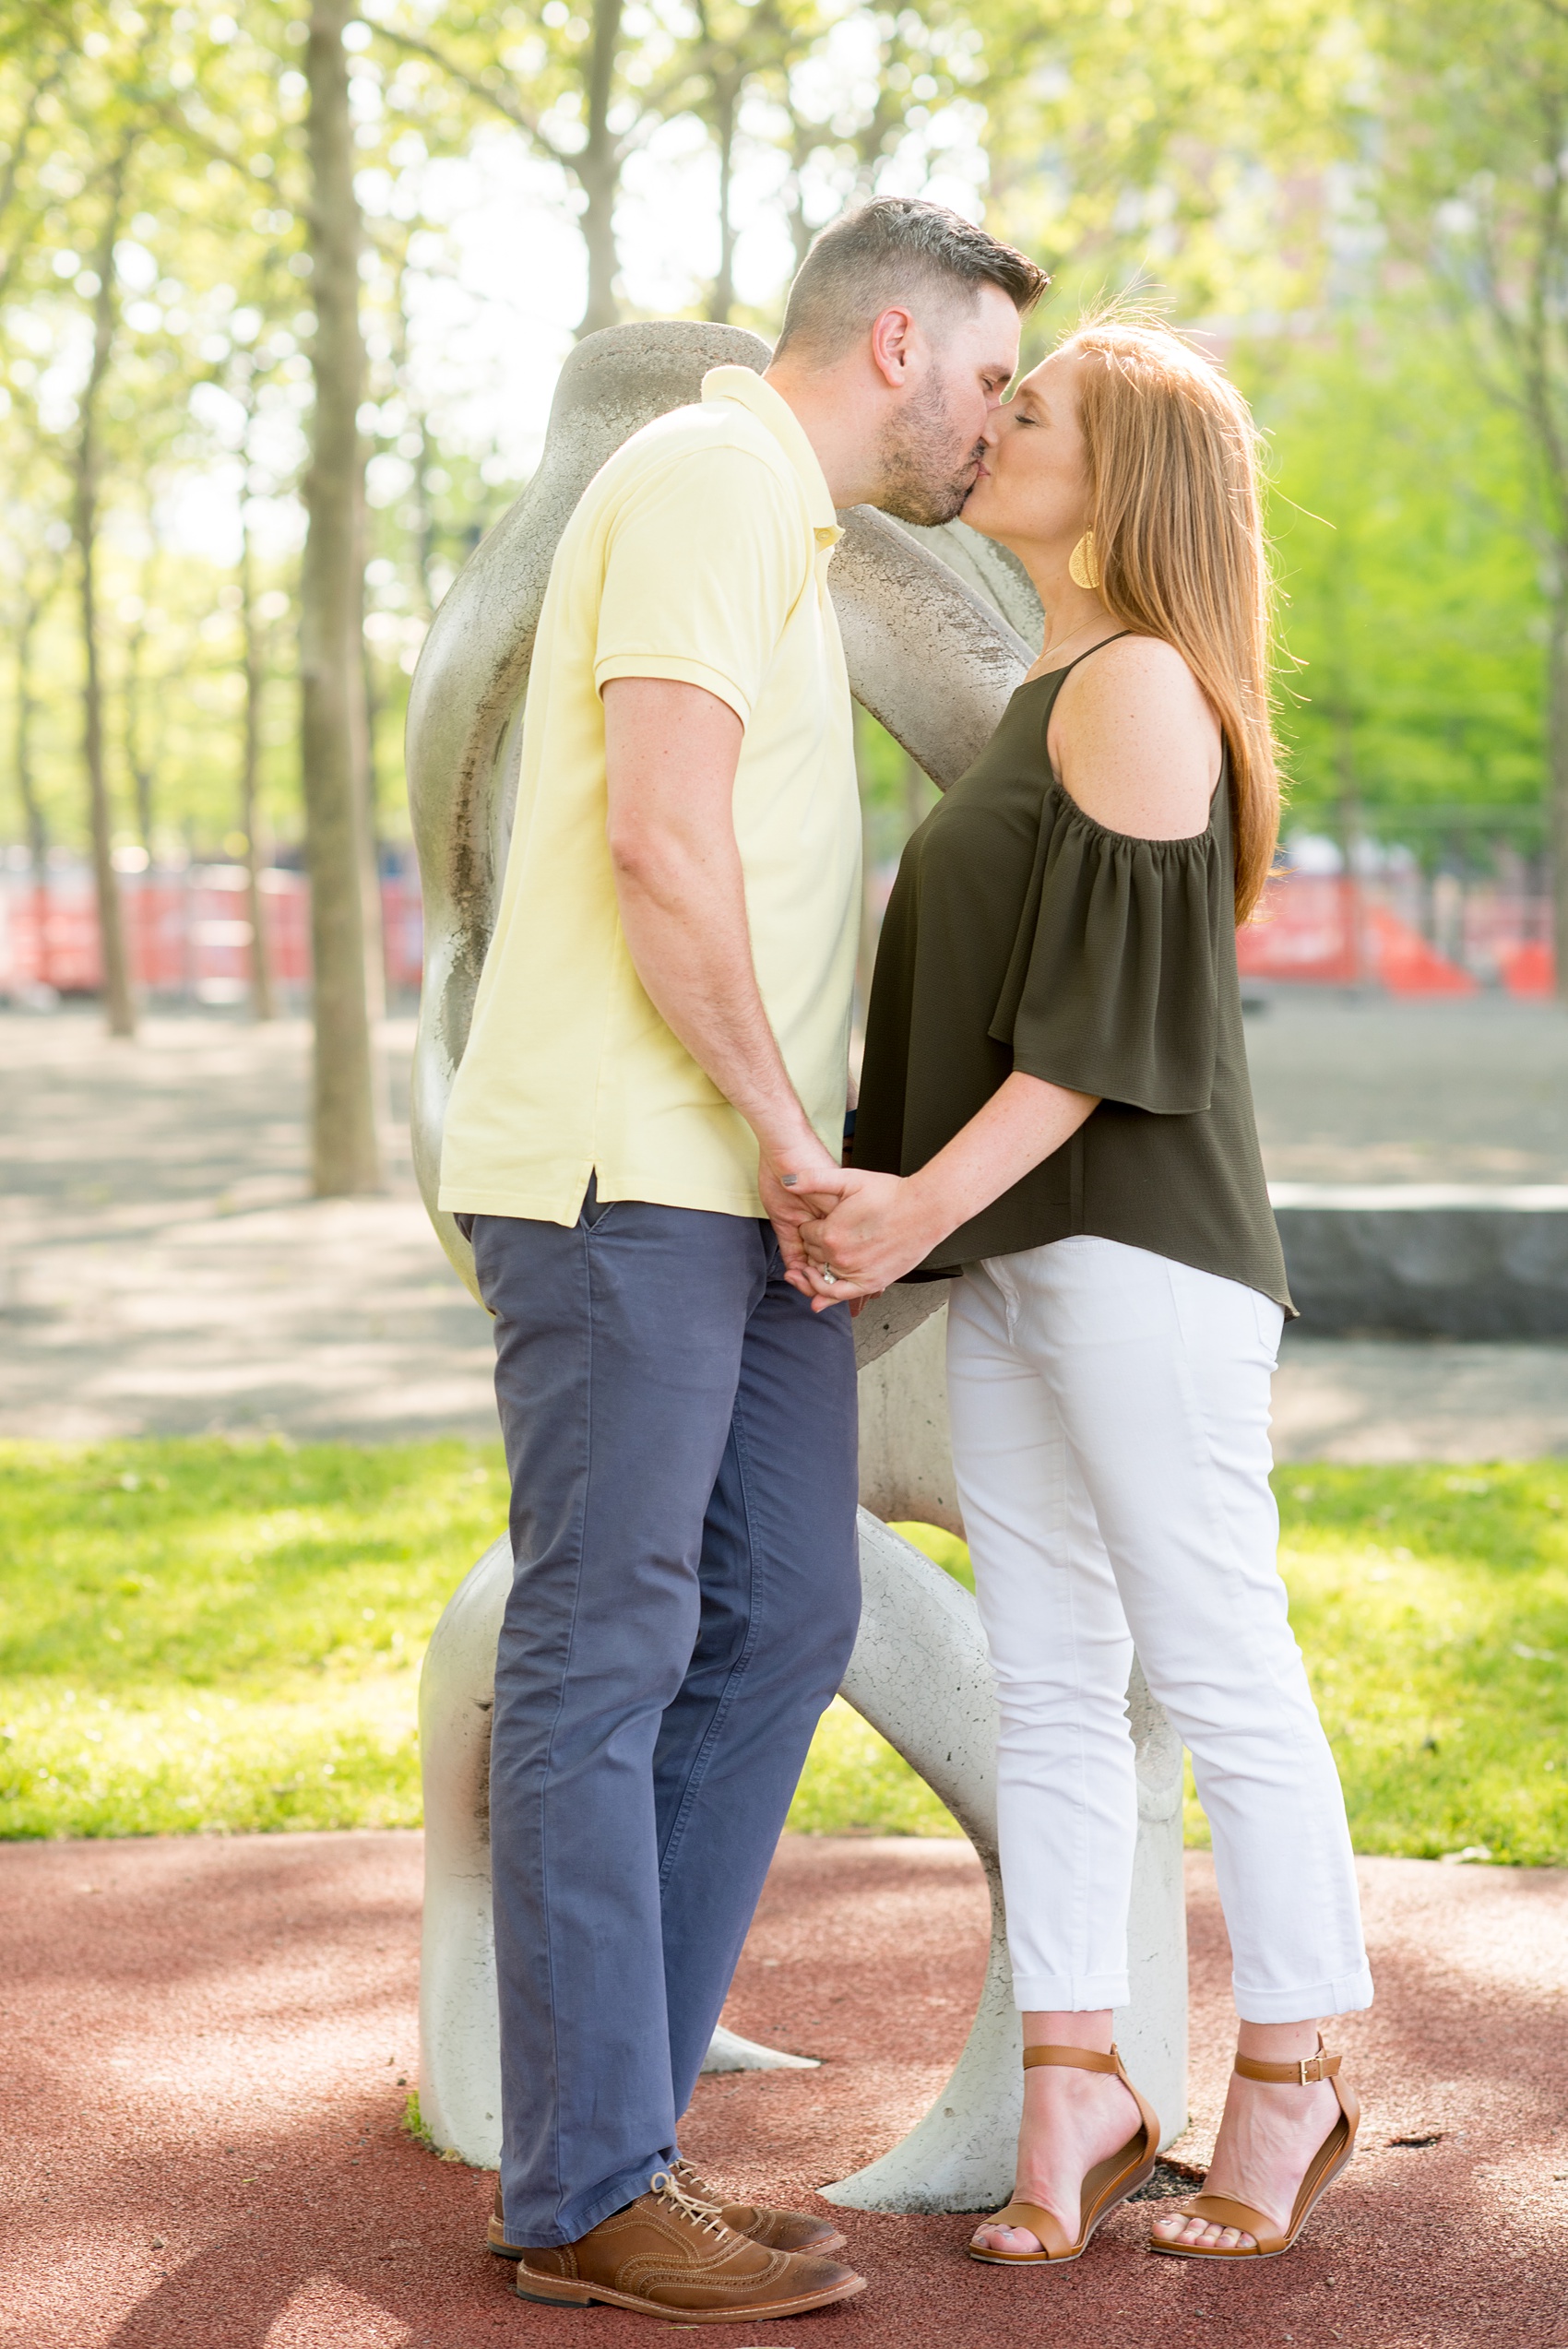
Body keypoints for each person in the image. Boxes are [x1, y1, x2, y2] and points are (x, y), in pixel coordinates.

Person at [436, 198, 1048, 2323]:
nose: (995, 421)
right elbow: (653, 838)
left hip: (737, 1185)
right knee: (600, 1651)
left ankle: (620, 2138)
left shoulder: (778, 527)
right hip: (630, 1174)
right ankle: (589, 2183)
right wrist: (800, 1139)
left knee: (784, 1604)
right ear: (892, 341)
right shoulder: (705, 478)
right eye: (984, 376)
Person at [791, 316, 1372, 2268]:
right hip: (1020, 1249)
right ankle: (1082, 2074)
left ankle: (1290, 2069)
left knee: (1211, 1655)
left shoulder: (1133, 685)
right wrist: (914, 1212)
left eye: (1027, 411)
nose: (988, 424)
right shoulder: (1055, 675)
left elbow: (1101, 1039)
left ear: (1118, 479)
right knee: (1050, 1681)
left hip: (1139, 1245)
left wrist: (901, 1212)